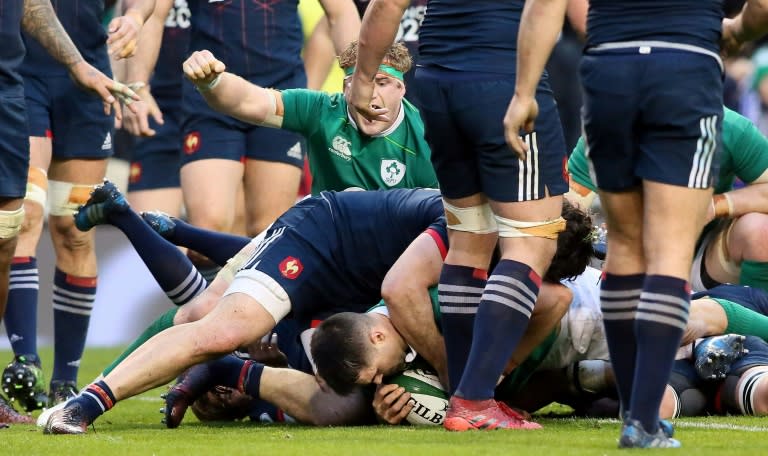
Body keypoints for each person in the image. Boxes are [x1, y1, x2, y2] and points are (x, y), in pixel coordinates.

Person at [503, 0, 768, 448]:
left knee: (625, 250)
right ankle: (644, 419)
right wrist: (738, 31)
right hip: (685, 65)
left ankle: (633, 409)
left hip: (612, 68)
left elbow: (546, 5)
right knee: (669, 252)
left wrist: (524, 91)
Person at [42, 185, 452, 434]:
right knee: (212, 324)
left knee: (343, 405)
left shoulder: (482, 239)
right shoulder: (459, 224)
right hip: (321, 236)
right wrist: (461, 389)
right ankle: (83, 405)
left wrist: (387, 401)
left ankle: (226, 368)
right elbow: (401, 292)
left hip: (350, 297)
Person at [347, 0, 570, 432]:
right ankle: (476, 399)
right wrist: (524, 93)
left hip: (437, 81)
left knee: (471, 239)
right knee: (531, 242)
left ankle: (464, 393)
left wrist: (361, 78)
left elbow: (387, 4)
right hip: (501, 75)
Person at [1, 0, 154, 411]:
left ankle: (65, 381)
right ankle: (24, 361)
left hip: (88, 81)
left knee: (73, 229)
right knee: (24, 215)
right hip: (21, 77)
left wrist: (136, 18)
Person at [182, 41, 438, 195]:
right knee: (232, 277)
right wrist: (211, 80)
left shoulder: (429, 138)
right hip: (325, 245)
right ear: (344, 88)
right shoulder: (321, 110)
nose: (370, 94)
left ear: (402, 88)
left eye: (382, 83)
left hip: (397, 252)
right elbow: (248, 100)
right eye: (357, 83)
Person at [567, 106, 768, 293]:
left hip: (702, 254)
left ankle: (752, 314)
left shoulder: (730, 128)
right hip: (623, 253)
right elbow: (566, 213)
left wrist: (714, 206)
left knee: (759, 230)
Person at [119, 0, 191, 217]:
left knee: (221, 229)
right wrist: (128, 90)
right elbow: (122, 31)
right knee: (152, 230)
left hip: (220, 113)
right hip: (157, 109)